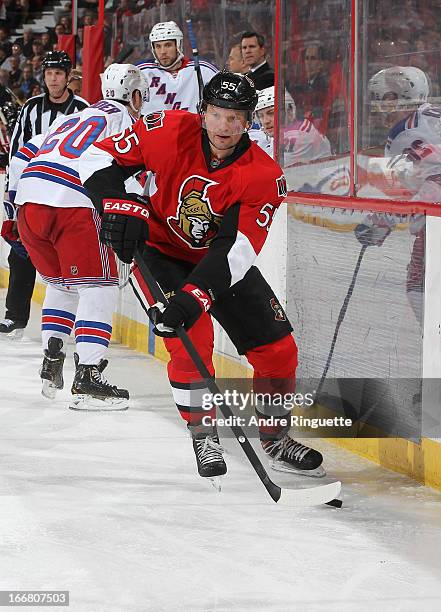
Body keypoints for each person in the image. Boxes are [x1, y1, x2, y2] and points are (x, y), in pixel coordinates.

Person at [79, 71, 325, 480]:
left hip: (220, 262)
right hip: (161, 253)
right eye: (216, 114)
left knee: (279, 350)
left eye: (234, 117)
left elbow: (235, 249)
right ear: (203, 112)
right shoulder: (167, 129)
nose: (224, 126)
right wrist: (115, 203)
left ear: (248, 121)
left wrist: (195, 296)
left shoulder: (263, 175)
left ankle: (275, 436)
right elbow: (97, 158)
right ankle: (203, 431)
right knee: (193, 339)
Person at [9, 64, 148, 409]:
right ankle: (88, 377)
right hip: (72, 204)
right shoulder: (128, 122)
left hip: (30, 201)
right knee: (98, 285)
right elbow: (133, 178)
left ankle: (51, 360)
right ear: (133, 95)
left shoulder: (73, 117)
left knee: (60, 285)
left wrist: (14, 198)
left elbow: (26, 151)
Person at [0, 50, 88, 338]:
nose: (53, 79)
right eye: (49, 73)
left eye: (59, 74)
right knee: (21, 253)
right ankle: (15, 318)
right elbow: (16, 149)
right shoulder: (31, 108)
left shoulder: (83, 109)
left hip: (68, 194)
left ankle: (73, 323)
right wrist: (11, 191)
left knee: (70, 258)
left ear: (68, 77)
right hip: (34, 191)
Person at [356, 66, 432, 326]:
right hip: (432, 224)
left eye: (389, 99)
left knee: (417, 284)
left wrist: (378, 224)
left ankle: (435, 345)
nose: (381, 109)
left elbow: (414, 190)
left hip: (435, 227)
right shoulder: (433, 116)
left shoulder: (403, 134)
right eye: (377, 101)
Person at [136, 21, 218, 114]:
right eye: (158, 46)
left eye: (168, 45)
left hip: (192, 127)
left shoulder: (203, 69)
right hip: (154, 127)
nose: (163, 51)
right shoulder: (141, 72)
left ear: (178, 45)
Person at [250, 86, 331, 164]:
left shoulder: (300, 134)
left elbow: (268, 169)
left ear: (289, 112)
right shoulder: (277, 133)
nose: (265, 121)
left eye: (271, 113)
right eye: (260, 115)